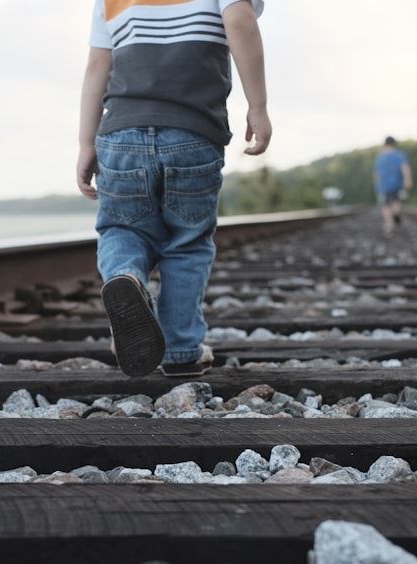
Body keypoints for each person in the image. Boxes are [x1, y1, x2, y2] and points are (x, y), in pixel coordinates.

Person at [77, 0, 271, 377]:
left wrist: (86, 143)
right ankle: (181, 349)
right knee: (187, 243)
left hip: (120, 135)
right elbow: (241, 20)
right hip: (193, 132)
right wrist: (258, 105)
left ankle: (126, 277)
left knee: (121, 229)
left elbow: (98, 64)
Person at [373, 136, 412, 237]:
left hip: (383, 186)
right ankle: (396, 213)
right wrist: (408, 180)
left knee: (385, 206)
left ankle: (390, 225)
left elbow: (377, 174)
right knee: (396, 202)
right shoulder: (399, 155)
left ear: (385, 145)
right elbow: (405, 168)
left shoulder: (380, 158)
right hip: (397, 184)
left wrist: (376, 186)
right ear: (394, 144)